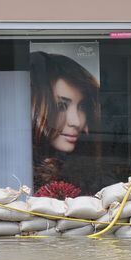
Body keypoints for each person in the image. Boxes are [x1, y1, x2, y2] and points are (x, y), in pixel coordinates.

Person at [30, 51, 101, 193]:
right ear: (34, 106)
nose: (76, 122)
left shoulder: (87, 171)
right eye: (61, 106)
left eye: (81, 106)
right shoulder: (21, 172)